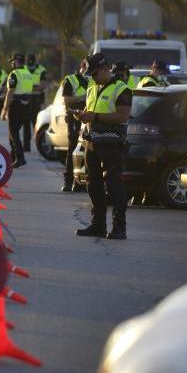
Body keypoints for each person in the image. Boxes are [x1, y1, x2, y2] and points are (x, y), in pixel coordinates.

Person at [75, 52, 132, 240]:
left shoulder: (121, 89)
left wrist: (95, 117)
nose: (92, 77)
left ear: (106, 69)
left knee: (114, 186)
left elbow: (122, 116)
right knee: (94, 186)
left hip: (111, 144)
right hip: (92, 143)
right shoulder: (92, 88)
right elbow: (90, 111)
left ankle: (119, 228)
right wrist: (82, 115)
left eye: (95, 73)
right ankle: (98, 225)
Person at [59, 60, 90, 192]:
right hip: (74, 118)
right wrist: (82, 98)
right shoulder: (70, 79)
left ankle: (80, 183)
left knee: (87, 151)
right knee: (73, 148)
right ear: (82, 67)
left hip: (88, 119)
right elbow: (66, 99)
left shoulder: (94, 80)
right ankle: (68, 181)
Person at [2, 54, 34, 167]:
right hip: (27, 106)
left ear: (16, 61)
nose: (12, 63)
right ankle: (13, 157)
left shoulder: (14, 74)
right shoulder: (28, 74)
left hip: (16, 106)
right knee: (14, 133)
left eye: (12, 61)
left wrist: (5, 109)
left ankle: (20, 157)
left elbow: (10, 92)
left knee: (13, 132)